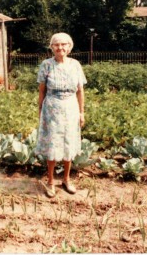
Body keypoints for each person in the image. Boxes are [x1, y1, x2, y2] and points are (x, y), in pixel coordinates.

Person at [35, 32, 87, 198]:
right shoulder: (46, 65)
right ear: (52, 47)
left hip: (70, 108)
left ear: (69, 47)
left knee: (68, 142)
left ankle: (66, 179)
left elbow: (80, 91)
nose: (60, 47)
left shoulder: (75, 65)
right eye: (56, 45)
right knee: (53, 144)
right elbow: (42, 90)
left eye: (64, 44)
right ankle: (50, 181)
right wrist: (40, 111)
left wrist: (81, 112)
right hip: (52, 109)